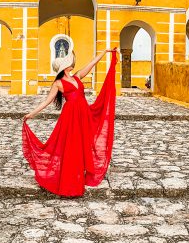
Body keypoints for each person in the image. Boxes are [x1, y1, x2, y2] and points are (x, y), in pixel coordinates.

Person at [21, 48, 119, 197]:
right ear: (64, 68)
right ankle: (71, 178)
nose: (71, 64)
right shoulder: (58, 83)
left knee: (83, 142)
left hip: (84, 113)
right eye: (68, 63)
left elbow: (91, 63)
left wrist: (104, 52)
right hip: (70, 117)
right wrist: (31, 114)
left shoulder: (78, 76)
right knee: (72, 145)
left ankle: (81, 172)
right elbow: (47, 101)